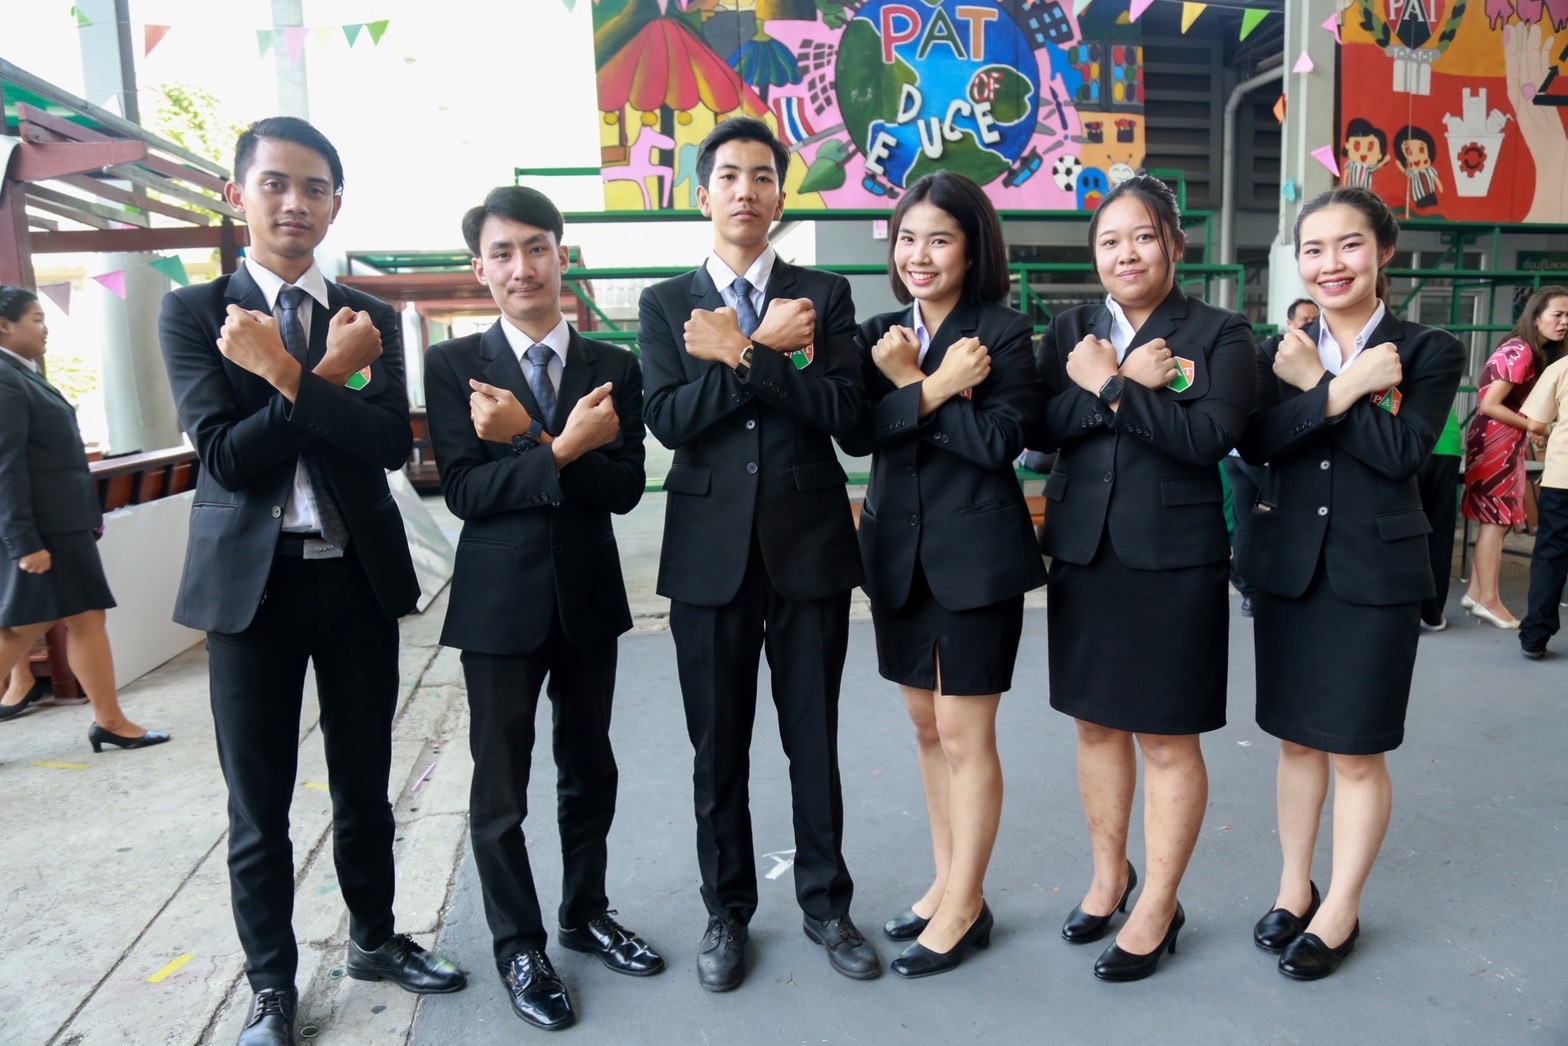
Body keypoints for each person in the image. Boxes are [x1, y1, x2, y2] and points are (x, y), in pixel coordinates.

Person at [158, 118, 465, 1046]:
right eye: (276, 184)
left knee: (364, 784)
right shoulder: (195, 313)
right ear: (237, 195)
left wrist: (294, 375)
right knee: (259, 805)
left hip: (356, 579)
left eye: (315, 187)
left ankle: (374, 938)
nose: (296, 203)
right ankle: (270, 988)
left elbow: (388, 444)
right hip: (252, 593)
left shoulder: (366, 316)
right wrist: (324, 377)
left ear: (336, 204)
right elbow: (225, 457)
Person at [638, 116, 877, 991]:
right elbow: (669, 421)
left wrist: (745, 351)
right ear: (703, 195)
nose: (747, 190)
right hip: (708, 555)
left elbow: (845, 414)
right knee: (718, 748)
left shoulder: (824, 294)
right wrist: (763, 358)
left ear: (782, 196)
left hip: (808, 546)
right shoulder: (666, 303)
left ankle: (826, 905)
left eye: (764, 177)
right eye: (731, 176)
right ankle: (726, 911)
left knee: (814, 737)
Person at [423, 186, 662, 1030]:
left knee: (590, 768)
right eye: (502, 253)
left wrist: (527, 441)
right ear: (480, 268)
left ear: (563, 255)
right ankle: (518, 944)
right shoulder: (454, 366)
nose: (521, 267)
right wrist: (557, 445)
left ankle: (585, 913)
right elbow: (464, 492)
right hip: (497, 605)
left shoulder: (614, 367)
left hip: (588, 593)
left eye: (535, 248)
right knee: (501, 786)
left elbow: (623, 488)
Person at [1237, 186, 1464, 981]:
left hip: (1377, 571)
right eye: (1314, 249)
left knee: (1358, 752)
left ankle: (1341, 906)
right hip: (1291, 568)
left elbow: (1404, 454)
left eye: (1349, 245)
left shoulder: (1429, 350)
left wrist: (1329, 384)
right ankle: (1294, 886)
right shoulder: (1277, 351)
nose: (1331, 263)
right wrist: (1331, 385)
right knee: (1297, 739)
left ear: (1384, 251)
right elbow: (1256, 443)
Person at [1033, 174, 1255, 982]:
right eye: (1109, 240)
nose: (1125, 253)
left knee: (1165, 736)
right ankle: (1109, 877)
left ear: (1174, 244)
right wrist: (1119, 386)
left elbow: (1207, 440)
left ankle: (1160, 902)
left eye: (1142, 236)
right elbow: (1039, 430)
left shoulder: (1223, 333)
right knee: (1094, 726)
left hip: (1175, 557)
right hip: (1085, 552)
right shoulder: (1070, 330)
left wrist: (1110, 385)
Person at [840, 172, 1046, 978]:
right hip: (897, 556)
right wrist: (929, 386)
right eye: (907, 238)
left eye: (939, 238)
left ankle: (965, 903)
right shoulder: (879, 333)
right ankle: (946, 881)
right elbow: (860, 434)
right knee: (926, 729)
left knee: (965, 734)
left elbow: (999, 444)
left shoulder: (1004, 333)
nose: (918, 255)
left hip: (977, 562)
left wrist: (910, 388)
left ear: (972, 247)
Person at [0, 286, 169, 746]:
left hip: (62, 527)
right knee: (20, 628)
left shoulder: (22, 373)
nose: (45, 327)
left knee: (86, 618)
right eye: (36, 318)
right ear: (4, 325)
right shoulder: (5, 378)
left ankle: (110, 720)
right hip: (44, 532)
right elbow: (6, 466)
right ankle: (110, 721)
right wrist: (24, 542)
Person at [1460, 286, 1568, 627]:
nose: (1565, 322)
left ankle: (1476, 594)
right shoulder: (1521, 350)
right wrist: (1536, 425)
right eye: (1558, 314)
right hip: (1497, 441)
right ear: (1535, 317)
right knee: (1495, 521)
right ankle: (1488, 601)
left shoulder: (1526, 349)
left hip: (1502, 439)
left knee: (1498, 521)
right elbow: (1490, 404)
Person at [1226, 300, 1316, 618]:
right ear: (1289, 323)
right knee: (1273, 518)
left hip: (1237, 454)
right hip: (1253, 455)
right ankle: (1258, 588)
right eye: (1305, 319)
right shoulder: (1273, 353)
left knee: (1247, 521)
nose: (1311, 324)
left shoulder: (1257, 353)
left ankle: (1249, 590)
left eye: (1314, 319)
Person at [1519, 350, 1568, 658]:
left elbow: (1535, 423)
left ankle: (1535, 636)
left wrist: (1556, 428)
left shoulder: (1562, 368)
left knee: (1551, 555)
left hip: (1563, 477)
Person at [1416, 406, 1465, 631]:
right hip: (1447, 437)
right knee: (1440, 531)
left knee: (1408, 529)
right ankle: (1432, 612)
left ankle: (1409, 609)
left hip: (1411, 438)